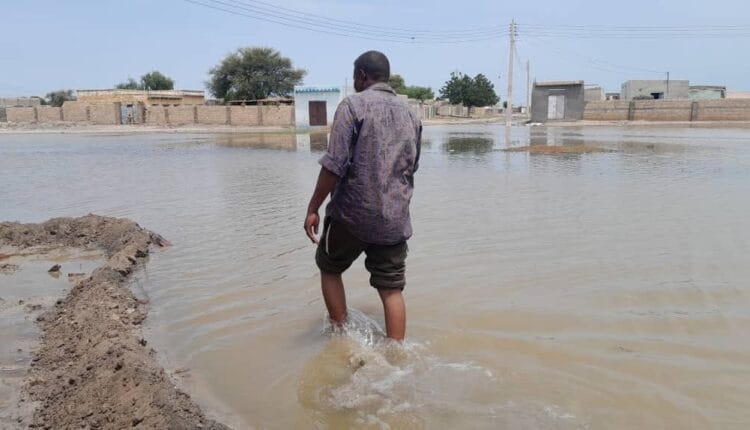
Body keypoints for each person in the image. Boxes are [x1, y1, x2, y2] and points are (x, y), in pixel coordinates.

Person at [304, 50, 422, 341]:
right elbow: (412, 166)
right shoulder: (411, 114)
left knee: (329, 267)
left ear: (361, 76)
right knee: (391, 289)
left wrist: (313, 207)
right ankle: (396, 354)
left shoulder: (352, 106)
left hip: (351, 216)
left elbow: (334, 165)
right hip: (394, 219)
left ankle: (341, 338)